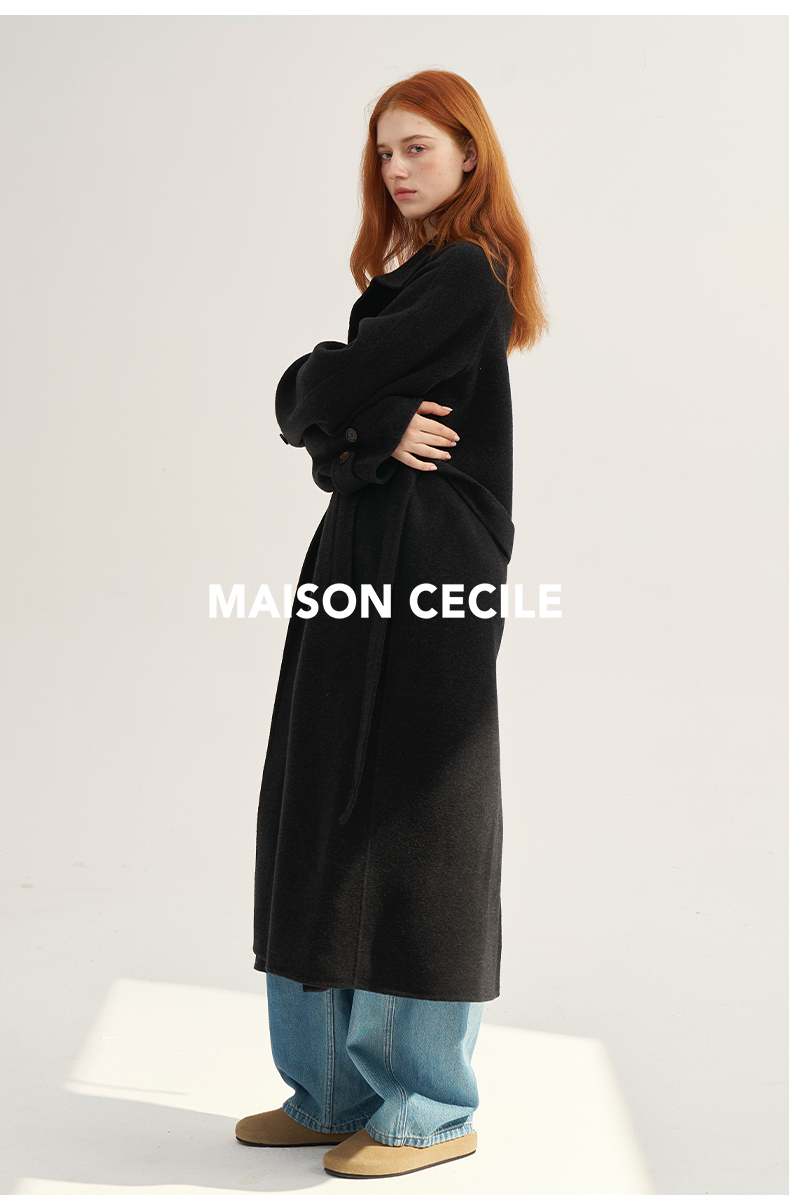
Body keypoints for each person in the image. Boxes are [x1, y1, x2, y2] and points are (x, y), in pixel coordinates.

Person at [235, 68, 548, 1180]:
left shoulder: (465, 272)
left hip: (432, 572)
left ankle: (427, 1109)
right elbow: (325, 431)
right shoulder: (406, 281)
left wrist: (332, 402)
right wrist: (364, 438)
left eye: (419, 145)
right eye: (384, 150)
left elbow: (309, 391)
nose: (398, 167)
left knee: (418, 822)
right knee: (322, 799)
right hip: (362, 554)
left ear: (469, 153)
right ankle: (329, 1092)